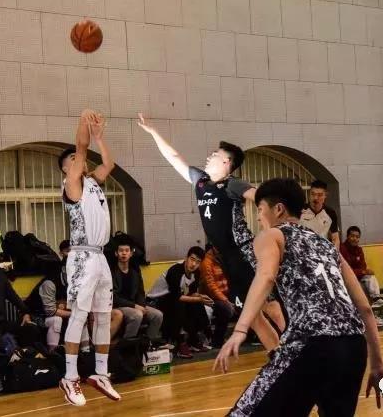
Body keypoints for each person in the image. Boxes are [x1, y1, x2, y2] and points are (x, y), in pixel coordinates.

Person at [215, 178, 383, 416]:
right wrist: (377, 364)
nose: (258, 218)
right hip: (353, 348)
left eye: (260, 210)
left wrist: (240, 330)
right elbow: (365, 308)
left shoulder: (273, 236)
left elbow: (266, 276)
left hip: (311, 344)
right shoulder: (326, 245)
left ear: (278, 209)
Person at [137, 114, 278, 351]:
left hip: (242, 253)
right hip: (225, 258)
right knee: (251, 314)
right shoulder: (201, 182)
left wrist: (268, 226)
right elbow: (174, 157)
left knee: (268, 306)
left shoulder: (232, 184)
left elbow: (261, 198)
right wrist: (153, 132)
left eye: (215, 154)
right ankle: (278, 354)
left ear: (226, 162)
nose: (209, 156)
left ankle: (298, 346)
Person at [57, 108, 120, 406]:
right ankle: (69, 377)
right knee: (80, 315)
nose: (77, 160)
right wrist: (83, 122)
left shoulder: (93, 181)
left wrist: (99, 137)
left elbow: (109, 164)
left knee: (104, 315)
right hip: (82, 256)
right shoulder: (71, 185)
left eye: (77, 159)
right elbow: (81, 148)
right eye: (71, 160)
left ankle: (101, 374)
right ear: (66, 170)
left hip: (101, 256)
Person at [151, 247, 212, 358]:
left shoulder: (196, 273)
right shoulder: (175, 270)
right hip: (156, 301)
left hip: (173, 299)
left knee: (196, 303)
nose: (194, 264)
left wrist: (201, 296)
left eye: (198, 262)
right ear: (186, 258)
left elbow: (191, 294)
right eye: (192, 259)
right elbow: (177, 297)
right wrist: (198, 299)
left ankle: (193, 340)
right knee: (180, 304)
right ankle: (180, 343)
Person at [112, 238, 163, 342]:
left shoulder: (135, 271)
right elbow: (113, 297)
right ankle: (127, 346)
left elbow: (140, 292)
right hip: (119, 306)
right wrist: (135, 306)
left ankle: (147, 344)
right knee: (137, 315)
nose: (124, 253)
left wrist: (142, 306)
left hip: (135, 305)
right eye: (121, 251)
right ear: (116, 253)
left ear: (131, 253)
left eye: (127, 251)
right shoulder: (111, 271)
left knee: (157, 315)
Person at [340, 226, 383, 327]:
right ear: (347, 237)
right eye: (352, 236)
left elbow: (363, 267)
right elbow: (347, 270)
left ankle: (376, 300)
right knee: (362, 286)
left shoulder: (359, 250)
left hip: (357, 278)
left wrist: (363, 272)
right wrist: (362, 271)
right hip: (345, 279)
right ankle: (368, 318)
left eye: (357, 237)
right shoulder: (342, 249)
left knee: (370, 278)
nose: (355, 239)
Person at [299, 180, 340, 247]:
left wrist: (335, 251)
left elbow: (335, 238)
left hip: (322, 249)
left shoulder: (331, 213)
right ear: (309, 194)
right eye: (313, 194)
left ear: (325, 195)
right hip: (304, 249)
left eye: (319, 195)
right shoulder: (300, 210)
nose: (315, 198)